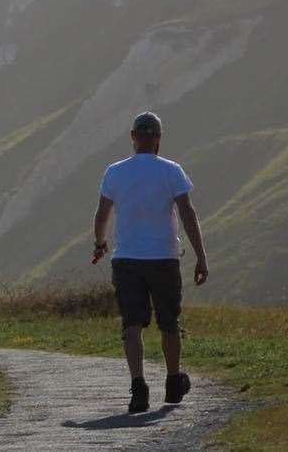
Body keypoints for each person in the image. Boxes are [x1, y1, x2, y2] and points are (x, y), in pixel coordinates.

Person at [90, 110, 208, 414]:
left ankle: (139, 387)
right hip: (164, 258)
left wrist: (101, 243)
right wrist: (200, 256)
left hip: (126, 258)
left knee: (132, 324)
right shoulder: (172, 171)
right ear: (158, 139)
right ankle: (172, 381)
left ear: (132, 138)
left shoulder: (114, 172)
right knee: (169, 322)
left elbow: (102, 213)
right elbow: (187, 214)